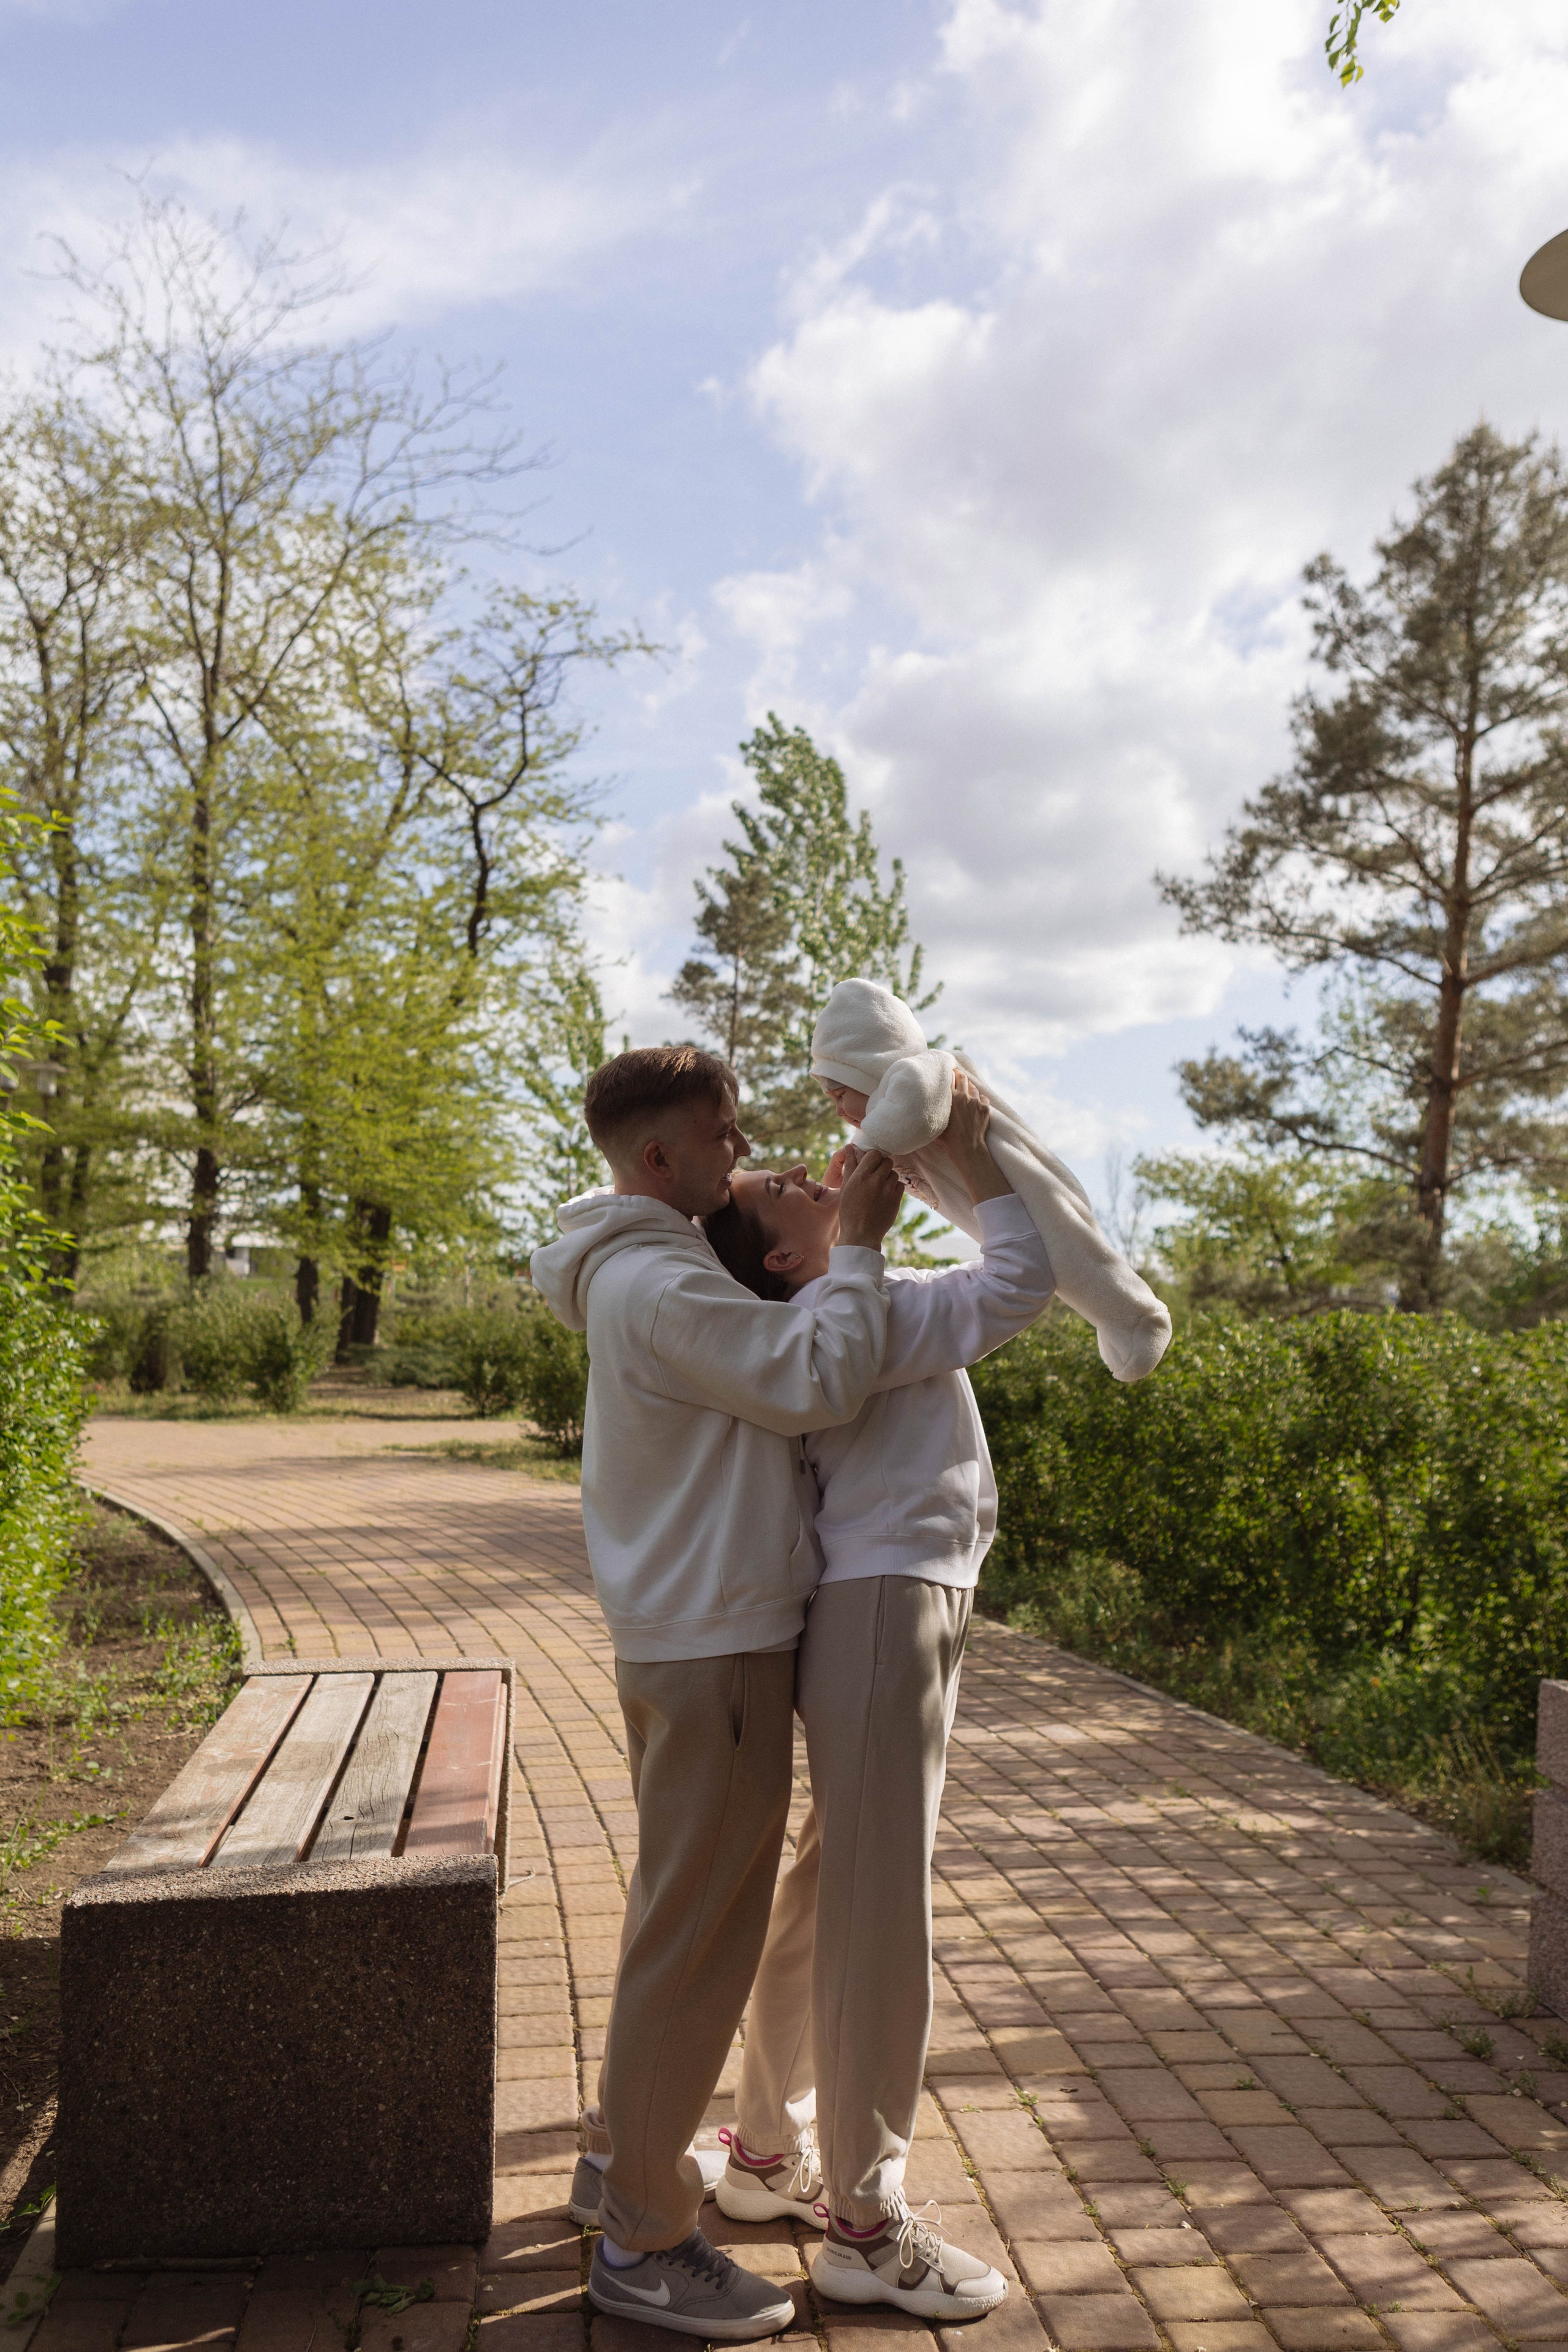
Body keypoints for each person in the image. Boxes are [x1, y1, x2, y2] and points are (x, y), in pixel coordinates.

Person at [529, 1044, 905, 2343]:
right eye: (725, 1137)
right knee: (698, 1946)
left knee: (671, 1923)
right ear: (659, 1159)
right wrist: (853, 1242)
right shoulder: (656, 1282)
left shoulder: (642, 1270)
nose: (741, 1154)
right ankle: (643, 2239)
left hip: (685, 1640)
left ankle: (608, 2163)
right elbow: (813, 1377)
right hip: (713, 1646)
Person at [701, 1072, 1055, 2323]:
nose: (810, 1169)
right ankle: (860, 2219)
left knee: (823, 1886)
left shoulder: (847, 1307)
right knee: (873, 1913)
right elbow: (1022, 1278)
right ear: (789, 1253)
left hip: (881, 1602)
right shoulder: (849, 1310)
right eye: (785, 1188)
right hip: (887, 1605)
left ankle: (758, 2156)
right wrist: (968, 1145)